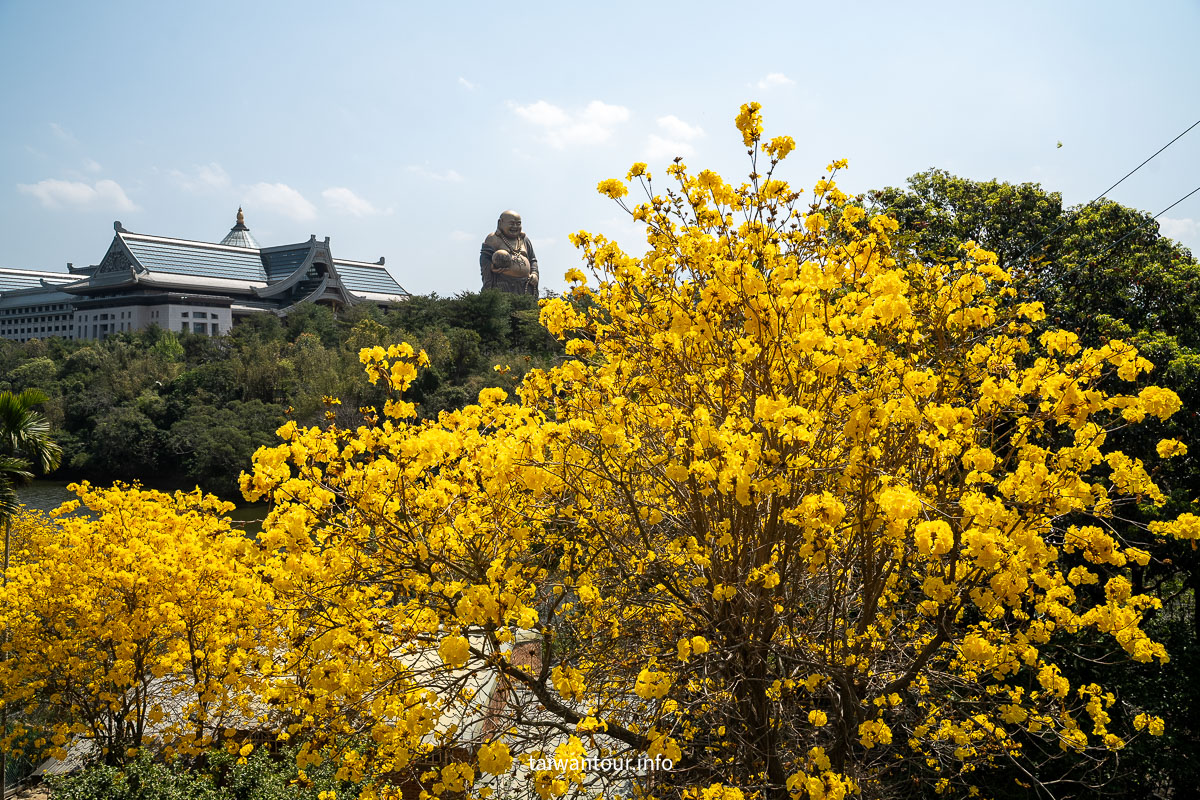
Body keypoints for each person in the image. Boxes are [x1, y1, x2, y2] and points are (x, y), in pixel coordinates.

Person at [480, 210, 539, 295]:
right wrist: (491, 266)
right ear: (500, 223)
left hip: (525, 284)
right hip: (502, 283)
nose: (515, 226)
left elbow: (533, 260)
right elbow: (484, 260)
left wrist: (534, 273)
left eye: (518, 224)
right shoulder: (493, 238)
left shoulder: (524, 240)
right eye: (511, 223)